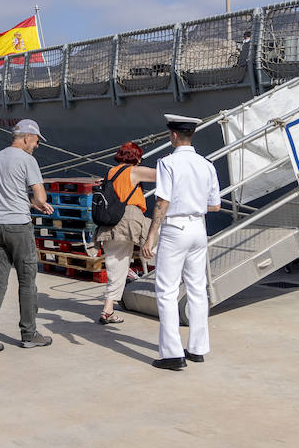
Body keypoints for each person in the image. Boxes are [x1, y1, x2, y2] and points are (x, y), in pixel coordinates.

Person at [141, 115, 222, 371]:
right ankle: (197, 349)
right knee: (197, 289)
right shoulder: (206, 164)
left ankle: (173, 354)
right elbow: (216, 205)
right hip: (199, 227)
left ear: (174, 136)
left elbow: (162, 202)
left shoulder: (167, 163)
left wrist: (151, 235)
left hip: (175, 228)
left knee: (166, 290)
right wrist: (194, 204)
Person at [0, 119, 55, 353]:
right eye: (37, 140)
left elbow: (8, 192)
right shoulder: (27, 160)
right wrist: (40, 202)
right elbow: (40, 196)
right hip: (19, 227)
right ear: (27, 137)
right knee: (27, 282)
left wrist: (30, 203)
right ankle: (29, 334)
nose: (37, 145)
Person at [93, 142, 157, 325]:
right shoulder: (134, 171)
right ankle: (170, 278)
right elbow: (161, 174)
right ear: (136, 157)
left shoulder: (110, 172)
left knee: (116, 267)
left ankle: (107, 310)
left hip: (110, 224)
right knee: (160, 234)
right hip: (130, 220)